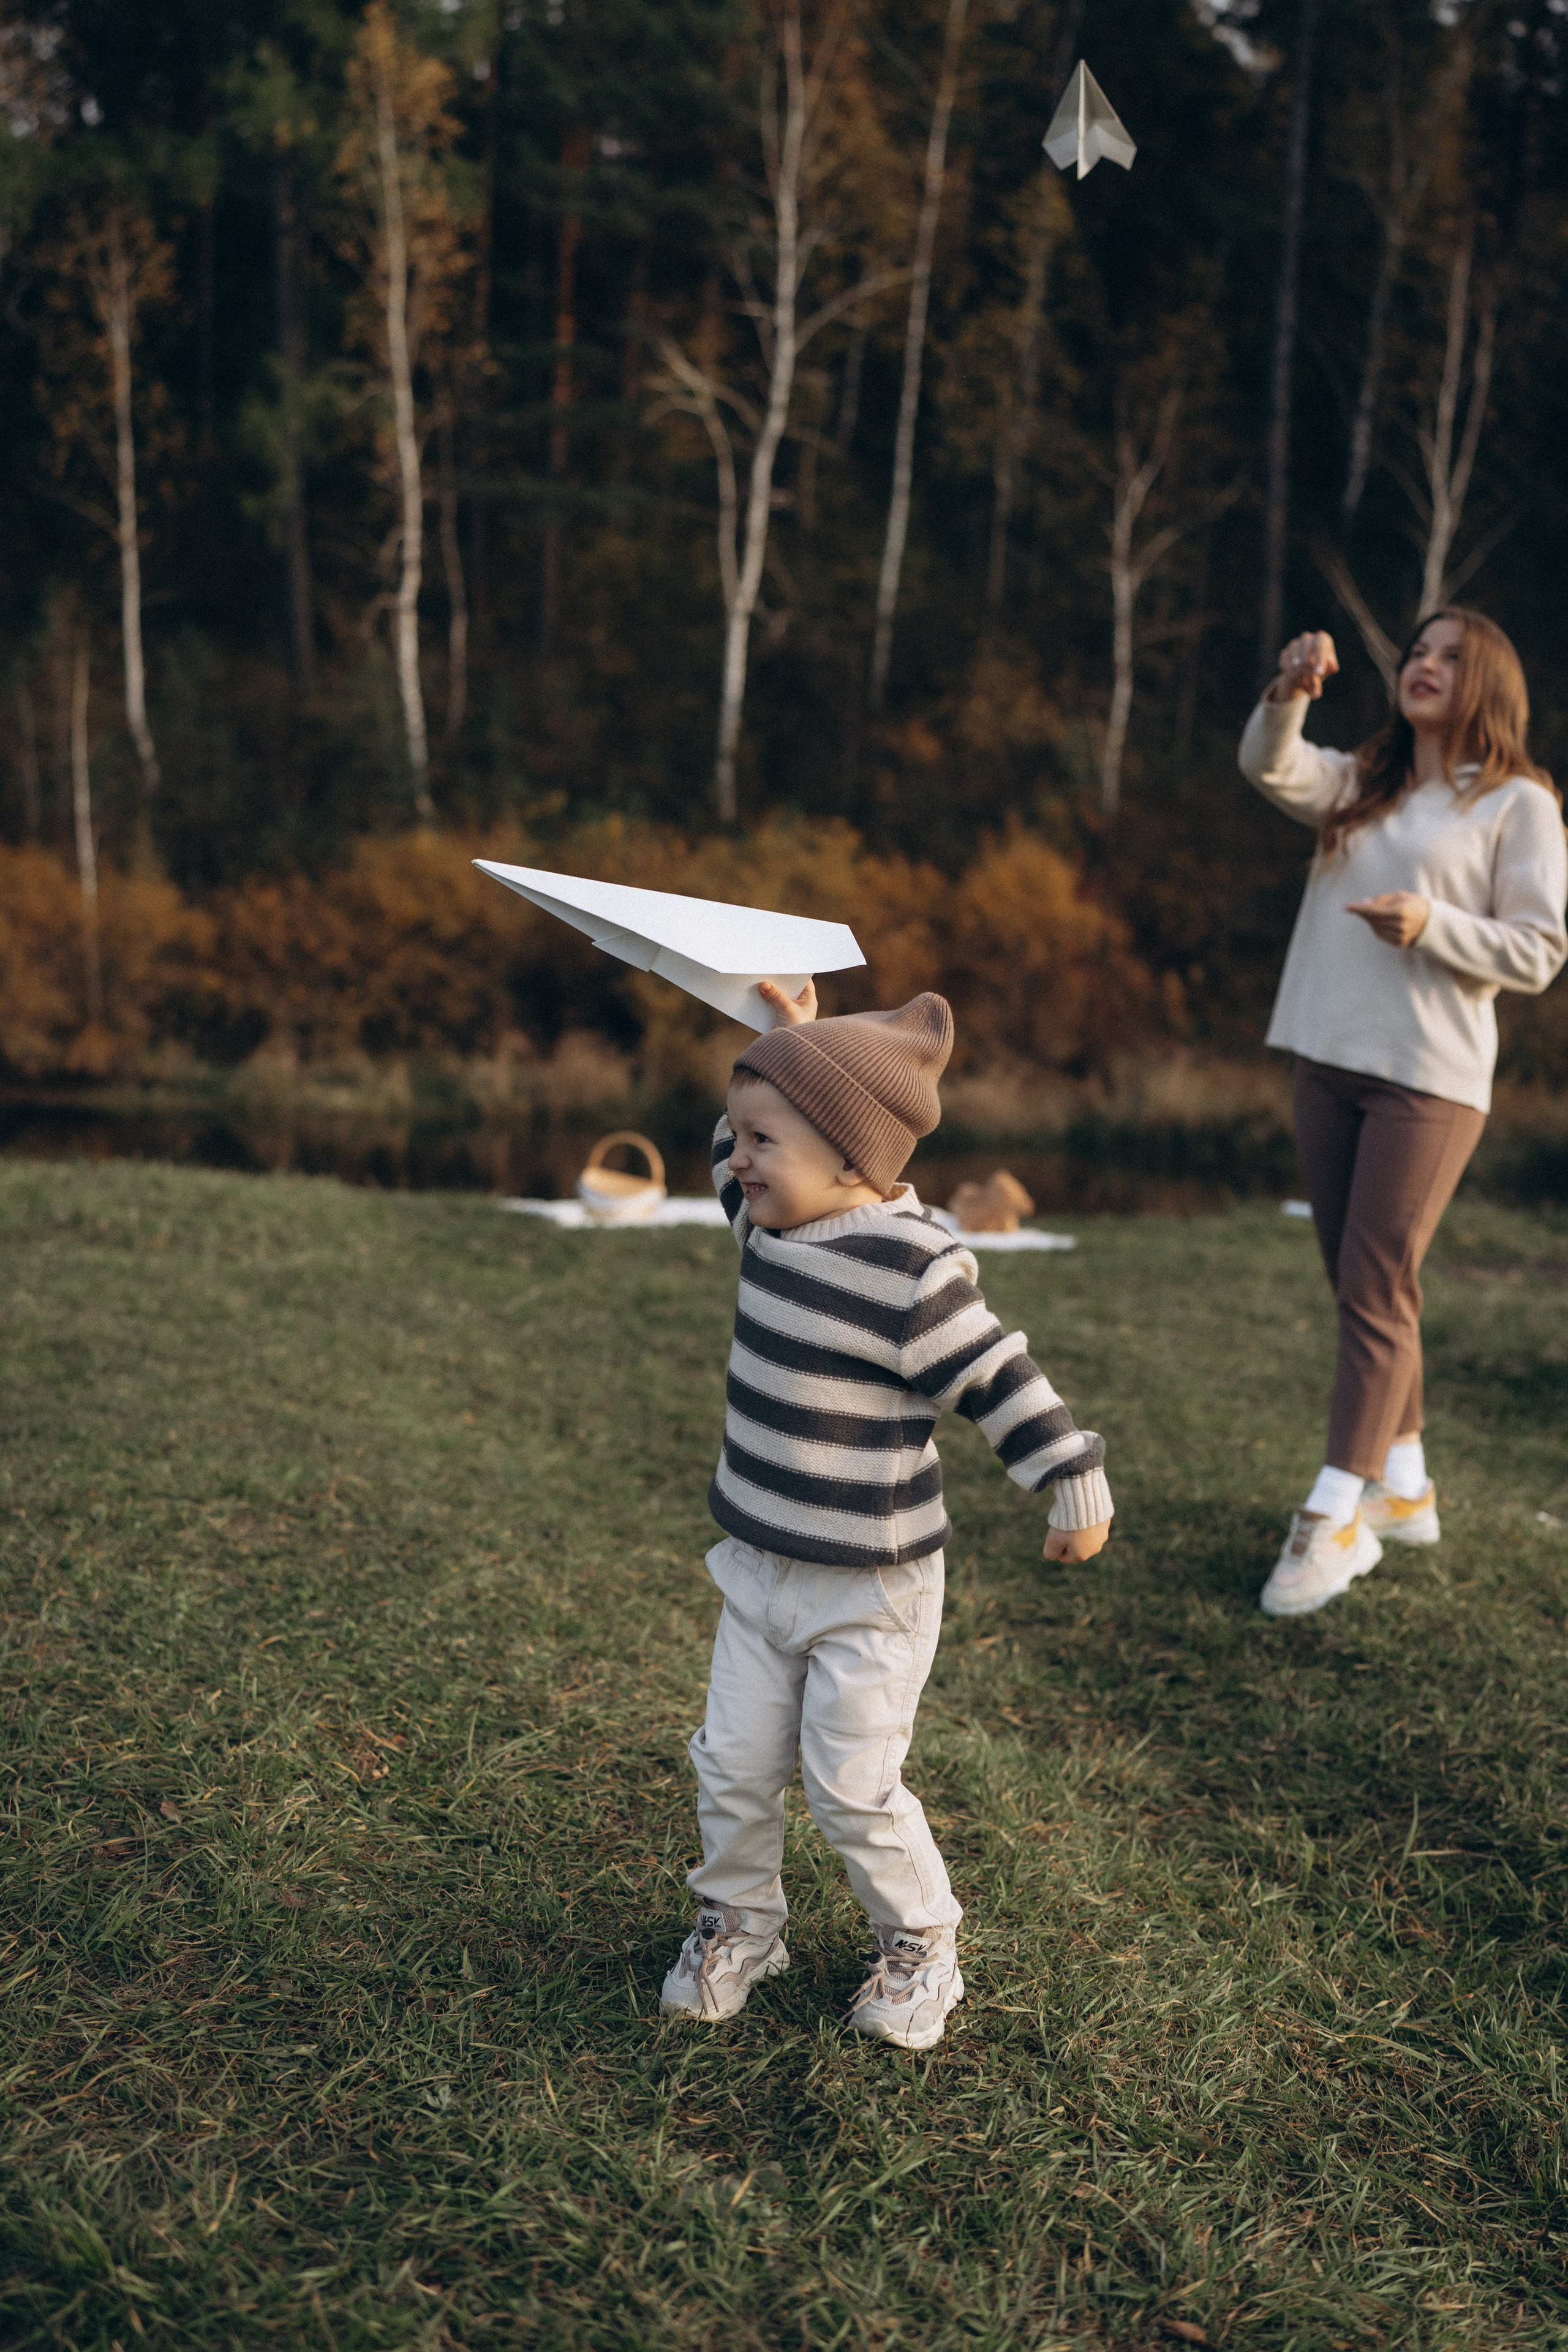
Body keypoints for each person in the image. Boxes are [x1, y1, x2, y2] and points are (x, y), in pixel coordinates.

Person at [660, 983, 1114, 2048]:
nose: (737, 1161)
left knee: (851, 1784)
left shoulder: (911, 1270)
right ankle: (741, 1924)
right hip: (760, 1568)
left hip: (872, 1586)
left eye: (764, 1142)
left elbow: (998, 1375)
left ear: (850, 1158)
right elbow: (735, 1142)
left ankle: (921, 1944)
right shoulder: (771, 1221)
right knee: (732, 1763)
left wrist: (1072, 1477)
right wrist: (785, 1040)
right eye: (740, 1138)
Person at [1240, 609, 1566, 1618]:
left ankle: (1336, 1512)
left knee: (1376, 1287)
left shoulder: (1519, 804)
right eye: (1418, 652)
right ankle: (1408, 1485)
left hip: (1426, 1079)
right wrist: (1288, 694)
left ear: (1490, 683)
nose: (1424, 665)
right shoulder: (1364, 783)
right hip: (1324, 1055)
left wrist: (1433, 923)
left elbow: (1540, 950)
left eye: (1450, 657)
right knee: (1363, 1283)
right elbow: (1268, 766)